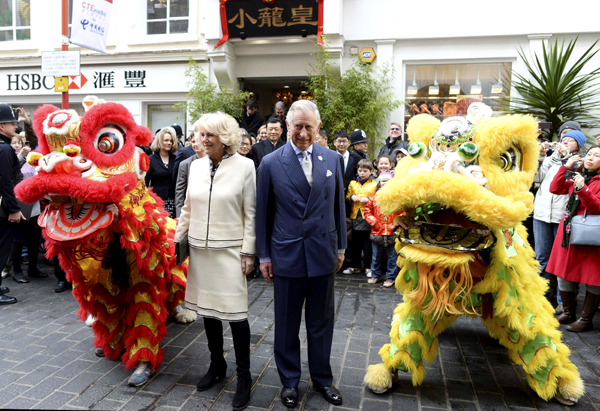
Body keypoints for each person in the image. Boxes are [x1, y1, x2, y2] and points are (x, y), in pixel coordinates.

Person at [256, 100, 346, 408]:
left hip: (322, 251)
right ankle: (290, 382)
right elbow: (263, 214)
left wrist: (342, 246)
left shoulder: (332, 159)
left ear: (318, 127)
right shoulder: (270, 163)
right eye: (298, 126)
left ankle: (322, 379)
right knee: (286, 322)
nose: (303, 133)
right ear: (287, 127)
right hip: (287, 254)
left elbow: (339, 207)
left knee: (321, 322)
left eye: (309, 127)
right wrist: (264, 256)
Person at [174, 111, 256, 410]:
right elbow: (186, 208)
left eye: (209, 134)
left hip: (230, 251)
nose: (203, 140)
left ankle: (244, 376)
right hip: (199, 249)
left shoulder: (246, 166)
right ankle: (217, 364)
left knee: (236, 316)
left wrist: (249, 251)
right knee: (207, 312)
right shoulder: (194, 166)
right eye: (200, 134)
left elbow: (251, 212)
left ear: (225, 137)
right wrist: (177, 241)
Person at [546, 145, 600, 332]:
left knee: (592, 277)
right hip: (569, 232)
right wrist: (566, 167)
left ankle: (586, 319)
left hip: (590, 235)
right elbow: (555, 188)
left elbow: (595, 208)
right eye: (589, 154)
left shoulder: (592, 181)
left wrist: (582, 189)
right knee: (562, 272)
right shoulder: (578, 175)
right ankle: (569, 312)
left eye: (596, 156)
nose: (590, 158)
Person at [533, 130, 586, 307]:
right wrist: (547, 154)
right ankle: (542, 298)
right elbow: (538, 177)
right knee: (542, 257)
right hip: (541, 213)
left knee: (563, 260)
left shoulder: (581, 163)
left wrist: (570, 161)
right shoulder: (551, 159)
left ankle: (564, 303)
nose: (565, 143)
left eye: (571, 141)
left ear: (578, 145)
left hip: (563, 215)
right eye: (563, 140)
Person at [9, 133, 44, 284]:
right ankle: (16, 271)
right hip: (17, 205)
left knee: (34, 238)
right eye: (13, 142)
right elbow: (9, 174)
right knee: (17, 239)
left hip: (34, 204)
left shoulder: (31, 159)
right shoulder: (8, 157)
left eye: (19, 142)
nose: (17, 145)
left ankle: (33, 268)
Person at [0, 103, 23, 304]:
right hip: (2, 210)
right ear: (1, 126)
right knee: (1, 249)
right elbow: (6, 181)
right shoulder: (5, 149)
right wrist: (14, 209)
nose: (15, 127)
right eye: (12, 123)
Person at [363, 173, 402, 287]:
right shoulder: (373, 199)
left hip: (392, 232)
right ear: (379, 183)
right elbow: (367, 212)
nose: (385, 183)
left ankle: (391, 277)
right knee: (376, 256)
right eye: (383, 181)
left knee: (392, 257)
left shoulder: (397, 200)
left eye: (387, 181)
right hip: (377, 232)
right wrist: (374, 222)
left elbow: (402, 212)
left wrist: (398, 223)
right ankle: (375, 275)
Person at [343, 159, 377, 276]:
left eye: (365, 171)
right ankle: (355, 265)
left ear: (371, 172)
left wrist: (368, 200)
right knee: (355, 243)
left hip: (368, 216)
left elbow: (378, 198)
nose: (362, 173)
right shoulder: (353, 183)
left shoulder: (374, 184)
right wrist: (351, 197)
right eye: (360, 170)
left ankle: (368, 266)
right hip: (354, 216)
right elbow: (347, 196)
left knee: (367, 243)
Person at [146, 126, 179, 218]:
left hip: (173, 200)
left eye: (171, 141)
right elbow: (145, 182)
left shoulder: (176, 159)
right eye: (166, 140)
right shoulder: (151, 159)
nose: (169, 143)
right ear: (160, 141)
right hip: (156, 200)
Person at [175, 126, 206, 218]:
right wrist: (179, 215)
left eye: (198, 141)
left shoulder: (214, 161)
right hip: (191, 209)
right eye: (193, 142)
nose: (195, 144)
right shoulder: (185, 164)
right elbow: (180, 191)